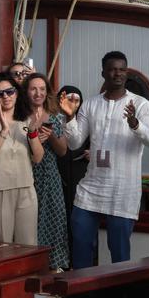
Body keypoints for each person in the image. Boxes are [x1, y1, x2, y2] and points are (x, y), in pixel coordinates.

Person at [60, 51, 149, 268]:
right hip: (92, 187)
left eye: (122, 69)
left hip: (123, 189)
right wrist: (69, 117)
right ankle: (81, 295)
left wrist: (135, 124)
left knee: (119, 251)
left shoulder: (140, 104)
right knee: (81, 242)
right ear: (103, 73)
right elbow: (75, 143)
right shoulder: (91, 104)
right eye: (112, 69)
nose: (118, 73)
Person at [0, 72, 45, 245]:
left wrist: (33, 132)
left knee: (28, 245)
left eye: (10, 91)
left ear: (17, 93)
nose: (6, 96)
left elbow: (38, 157)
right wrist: (3, 132)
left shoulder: (25, 121)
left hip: (26, 188)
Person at [26, 73, 70, 271]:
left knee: (55, 218)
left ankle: (55, 264)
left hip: (50, 174)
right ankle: (31, 265)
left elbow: (62, 151)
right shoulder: (18, 117)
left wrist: (51, 136)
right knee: (29, 222)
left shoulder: (54, 117)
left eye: (42, 89)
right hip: (26, 173)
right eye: (33, 88)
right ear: (26, 91)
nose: (38, 93)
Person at [55, 85, 88, 223]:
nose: (73, 103)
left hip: (80, 172)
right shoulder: (54, 119)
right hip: (59, 170)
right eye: (69, 99)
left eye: (77, 100)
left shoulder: (85, 121)